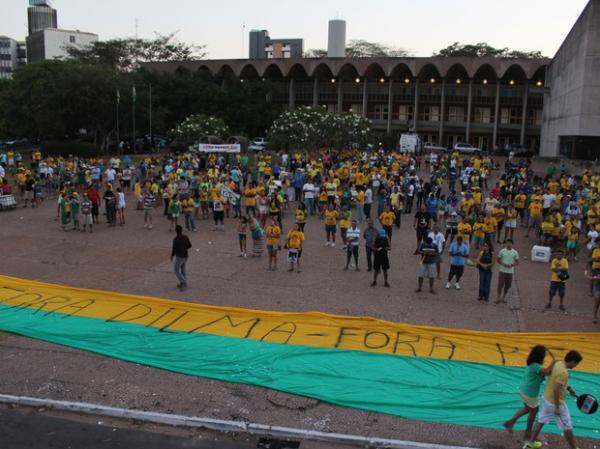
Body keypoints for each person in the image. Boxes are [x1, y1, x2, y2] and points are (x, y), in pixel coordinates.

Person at [525, 351, 583, 449]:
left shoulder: (558, 363)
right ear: (572, 361)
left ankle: (530, 443)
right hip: (556, 403)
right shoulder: (564, 372)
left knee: (541, 420)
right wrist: (557, 407)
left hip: (546, 398)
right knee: (567, 425)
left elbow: (553, 378)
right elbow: (556, 389)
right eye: (576, 363)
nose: (576, 365)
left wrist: (568, 388)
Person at [503, 345, 555, 442]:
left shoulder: (532, 365)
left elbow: (544, 373)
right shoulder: (536, 366)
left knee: (527, 408)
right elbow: (547, 371)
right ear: (540, 356)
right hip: (530, 393)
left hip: (524, 390)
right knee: (533, 412)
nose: (545, 356)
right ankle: (527, 434)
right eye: (544, 355)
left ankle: (510, 422)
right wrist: (554, 362)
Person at [496, 239, 519, 304]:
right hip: (502, 270)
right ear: (506, 243)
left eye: (510, 243)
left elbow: (517, 262)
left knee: (508, 285)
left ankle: (503, 297)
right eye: (507, 243)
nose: (508, 244)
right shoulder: (502, 251)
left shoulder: (515, 252)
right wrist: (504, 264)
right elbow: (498, 260)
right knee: (500, 284)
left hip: (510, 271)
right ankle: (498, 297)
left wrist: (512, 265)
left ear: (512, 244)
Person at [171, 225, 192, 291]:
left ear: (176, 231)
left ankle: (183, 282)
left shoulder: (176, 239)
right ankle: (183, 283)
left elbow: (174, 248)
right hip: (186, 255)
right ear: (181, 230)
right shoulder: (185, 237)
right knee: (183, 269)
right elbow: (190, 245)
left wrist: (172, 255)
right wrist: (184, 248)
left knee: (176, 270)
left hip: (179, 256)